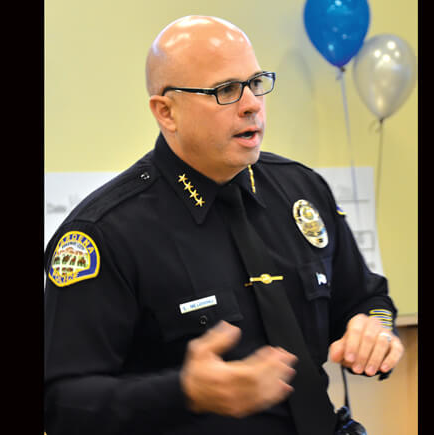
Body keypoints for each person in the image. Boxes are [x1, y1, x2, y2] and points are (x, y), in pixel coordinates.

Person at [44, 15, 404, 435]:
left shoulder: (301, 189)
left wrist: (375, 328)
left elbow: (368, 298)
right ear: (166, 112)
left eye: (256, 83)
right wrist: (184, 393)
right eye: (226, 90)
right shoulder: (105, 233)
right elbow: (61, 404)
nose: (252, 104)